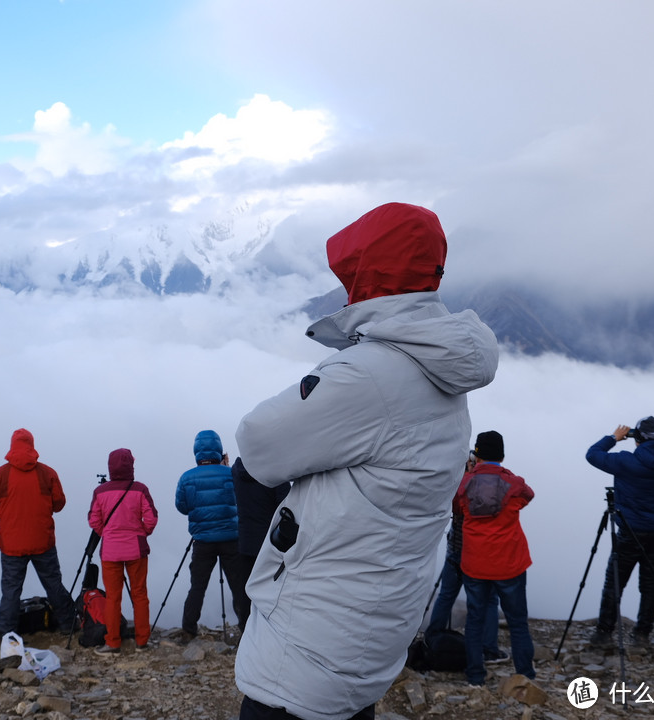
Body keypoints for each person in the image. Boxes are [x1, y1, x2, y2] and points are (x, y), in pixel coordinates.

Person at [233, 202, 499, 720]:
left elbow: (258, 443)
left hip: (312, 639)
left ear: (369, 272)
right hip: (372, 622)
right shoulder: (438, 366)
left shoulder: (370, 375)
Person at [585, 416, 654, 648]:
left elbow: (592, 454)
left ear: (637, 438)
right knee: (650, 585)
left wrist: (614, 438)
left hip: (630, 532)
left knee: (615, 583)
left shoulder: (626, 462)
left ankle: (604, 634)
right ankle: (642, 635)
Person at [455, 431, 535, 686]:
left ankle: (475, 676)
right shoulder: (514, 484)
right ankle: (525, 675)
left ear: (476, 455)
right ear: (501, 455)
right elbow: (528, 495)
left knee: (475, 620)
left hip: (475, 562)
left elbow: (456, 507)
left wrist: (470, 472)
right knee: (518, 622)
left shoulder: (465, 483)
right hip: (509, 563)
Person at [0, 429, 76, 637]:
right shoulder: (47, 473)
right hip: (42, 540)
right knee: (53, 583)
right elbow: (59, 503)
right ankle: (68, 624)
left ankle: (7, 632)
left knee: (11, 590)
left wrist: (6, 515)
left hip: (11, 544)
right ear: (32, 445)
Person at [424, 449, 504, 663]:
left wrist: (466, 474)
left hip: (455, 550)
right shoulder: (491, 484)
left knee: (447, 595)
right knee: (487, 600)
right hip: (478, 554)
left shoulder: (461, 482)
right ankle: (488, 649)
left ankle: (433, 635)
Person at [175, 430, 247, 640]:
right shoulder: (231, 474)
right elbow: (240, 499)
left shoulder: (187, 478)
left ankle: (189, 629)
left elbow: (182, 506)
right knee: (238, 586)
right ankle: (247, 628)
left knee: (197, 586)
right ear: (218, 449)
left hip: (203, 540)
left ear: (197, 450)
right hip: (231, 539)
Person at [87, 448, 158, 655]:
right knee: (140, 595)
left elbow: (94, 520)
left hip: (110, 551)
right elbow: (151, 518)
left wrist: (107, 534)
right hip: (136, 549)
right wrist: (141, 533)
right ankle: (142, 642)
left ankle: (113, 643)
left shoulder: (100, 492)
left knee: (112, 598)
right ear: (130, 466)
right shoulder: (140, 489)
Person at [231, 457, 289, 634]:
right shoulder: (276, 471)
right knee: (271, 588)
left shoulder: (235, 470)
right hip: (269, 543)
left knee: (245, 588)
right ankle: (268, 631)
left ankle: (245, 628)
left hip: (243, 541)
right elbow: (287, 504)